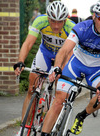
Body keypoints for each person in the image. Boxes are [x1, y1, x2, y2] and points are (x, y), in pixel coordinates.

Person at [42, 0, 100, 135]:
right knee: (59, 100)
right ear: (95, 16)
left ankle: (81, 116)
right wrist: (57, 67)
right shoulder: (82, 27)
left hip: (97, 70)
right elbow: (64, 50)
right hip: (76, 64)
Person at [13, 1, 75, 135]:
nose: (56, 25)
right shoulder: (40, 21)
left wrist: (60, 69)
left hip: (63, 57)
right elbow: (28, 43)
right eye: (53, 21)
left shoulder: (71, 27)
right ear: (48, 18)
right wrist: (20, 61)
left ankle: (50, 120)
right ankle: (24, 129)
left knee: (60, 91)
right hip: (45, 54)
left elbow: (70, 53)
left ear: (65, 20)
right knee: (31, 88)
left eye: (60, 22)